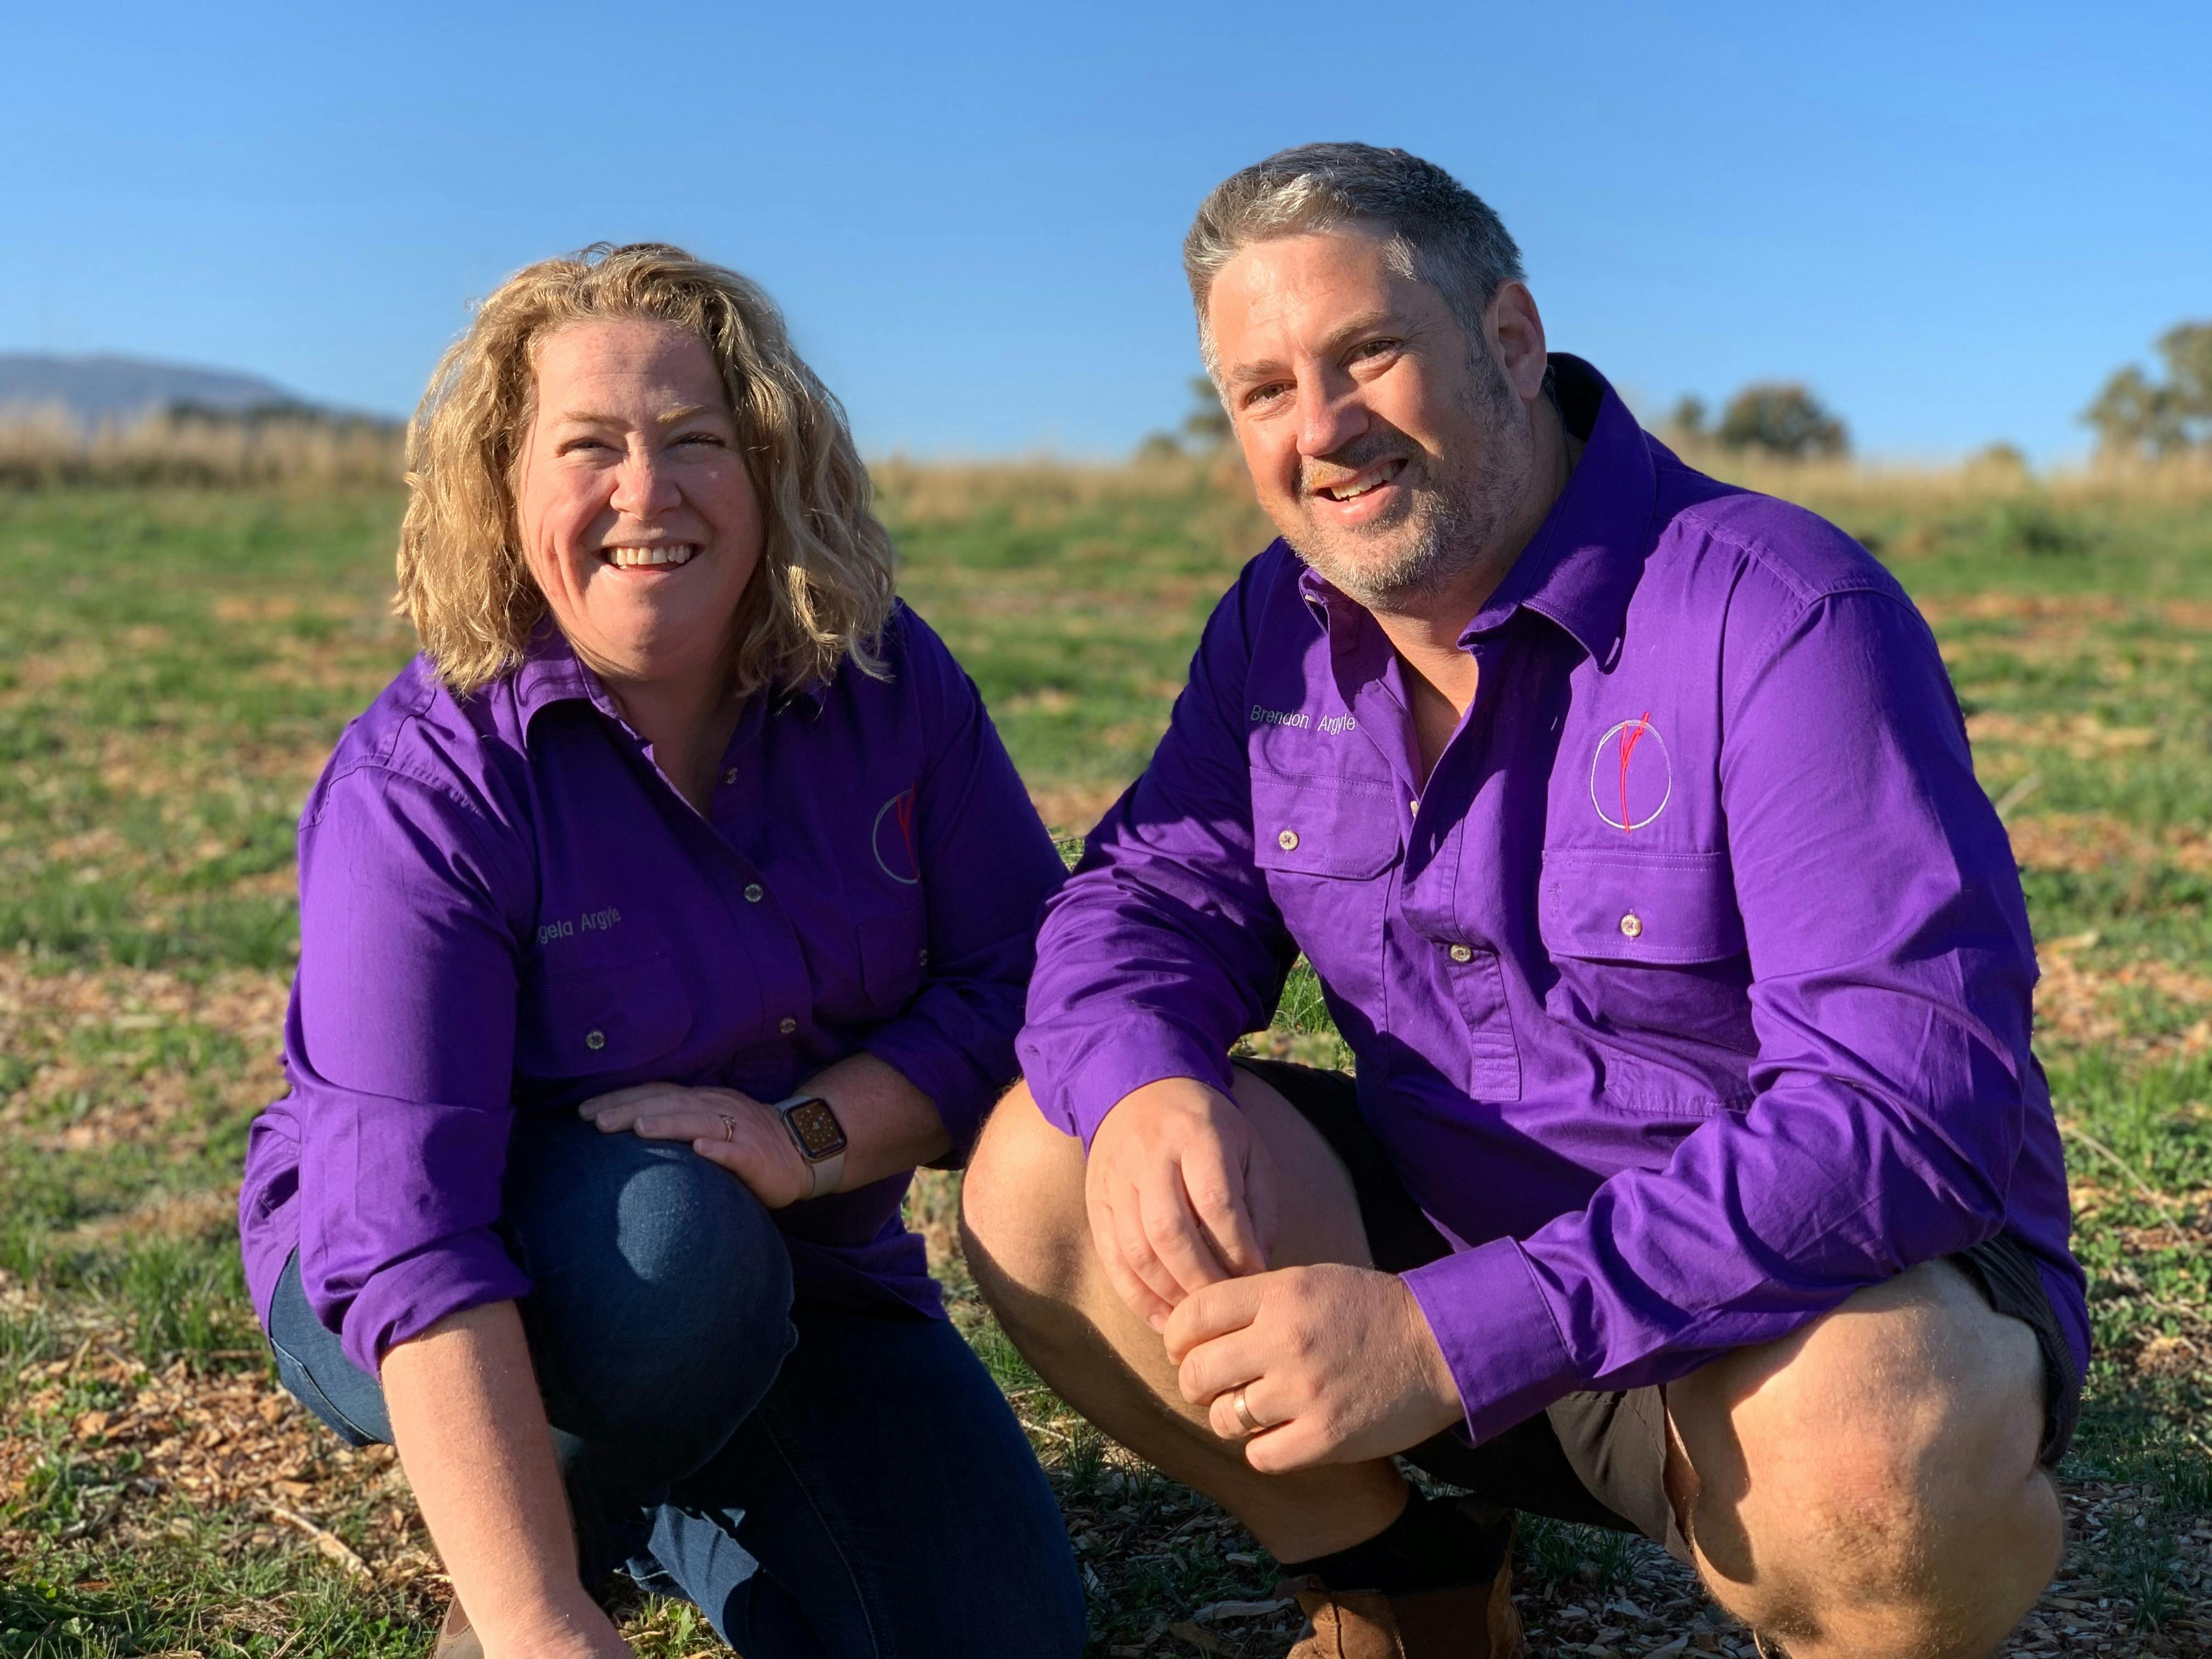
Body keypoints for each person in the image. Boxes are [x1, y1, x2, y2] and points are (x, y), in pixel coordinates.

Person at [961, 145, 2083, 1659]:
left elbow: (1905, 1112)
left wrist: (1454, 1332)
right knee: (1051, 1162)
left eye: (1369, 354)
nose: (1325, 431)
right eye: (1265, 390)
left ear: (1506, 340)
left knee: (1876, 1463)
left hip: (1781, 1301)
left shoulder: (1779, 612)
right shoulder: (1278, 630)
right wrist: (1149, 1078)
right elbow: (1145, 897)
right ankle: (1401, 1580)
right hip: (1440, 1243)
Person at [236, 243, 1085, 1659]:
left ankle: (657, 1484)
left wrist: (809, 1136)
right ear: (503, 492)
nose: (648, 494)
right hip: (455, 1283)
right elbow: (406, 1225)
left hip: (808, 1278)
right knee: (676, 1250)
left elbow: (1024, 981)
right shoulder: (428, 779)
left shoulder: (886, 678)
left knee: (1001, 1636)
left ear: (769, 471)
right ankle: (527, 1539)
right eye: (590, 448)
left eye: (697, 442)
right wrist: (528, 1615)